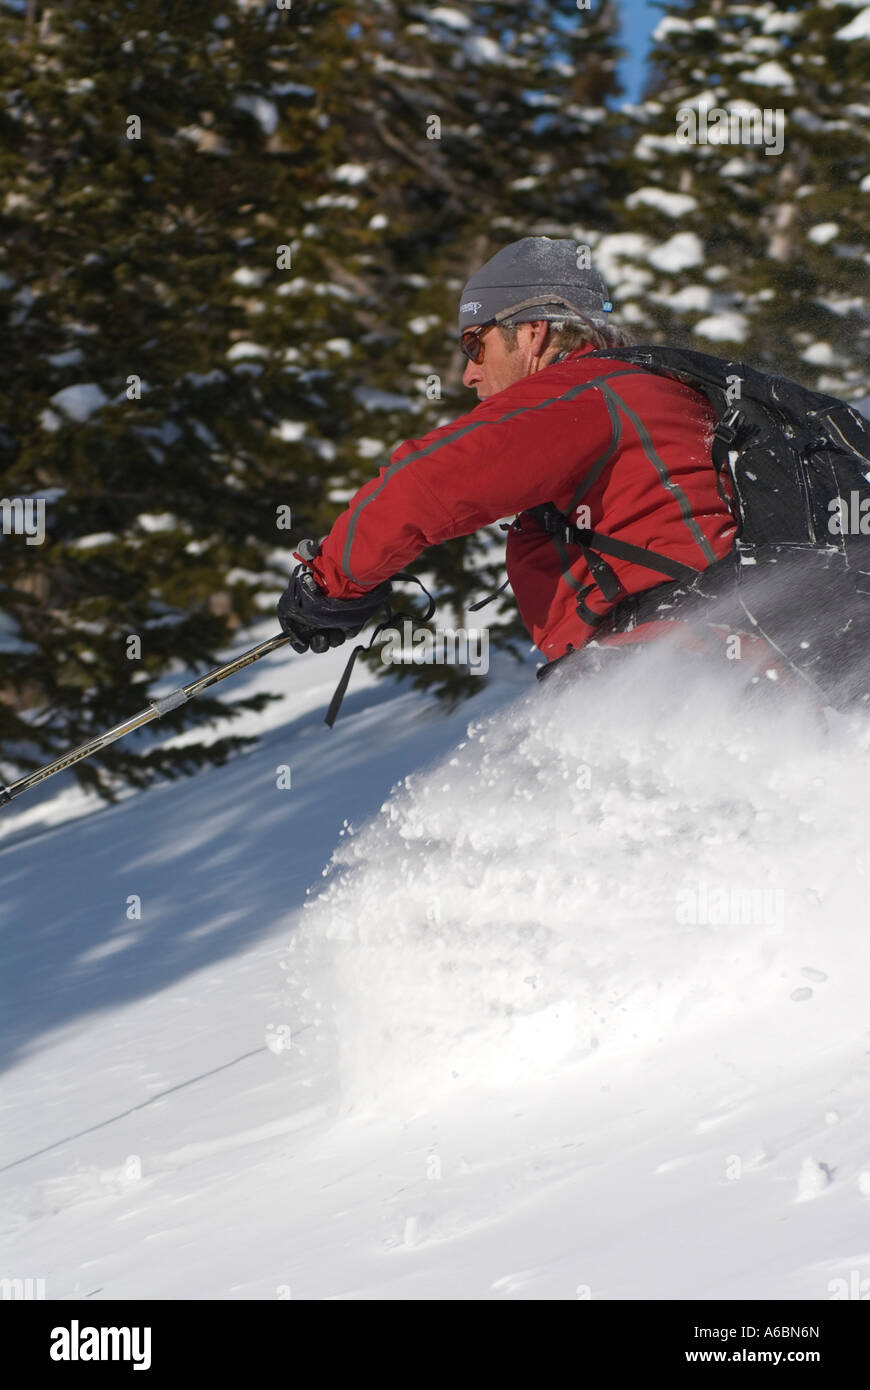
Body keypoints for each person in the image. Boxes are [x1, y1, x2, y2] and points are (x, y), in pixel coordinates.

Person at [276, 236, 746, 684]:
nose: (468, 374)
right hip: (723, 653)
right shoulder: (659, 390)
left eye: (475, 345)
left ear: (532, 334)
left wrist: (327, 585)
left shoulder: (586, 394)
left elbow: (422, 485)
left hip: (671, 662)